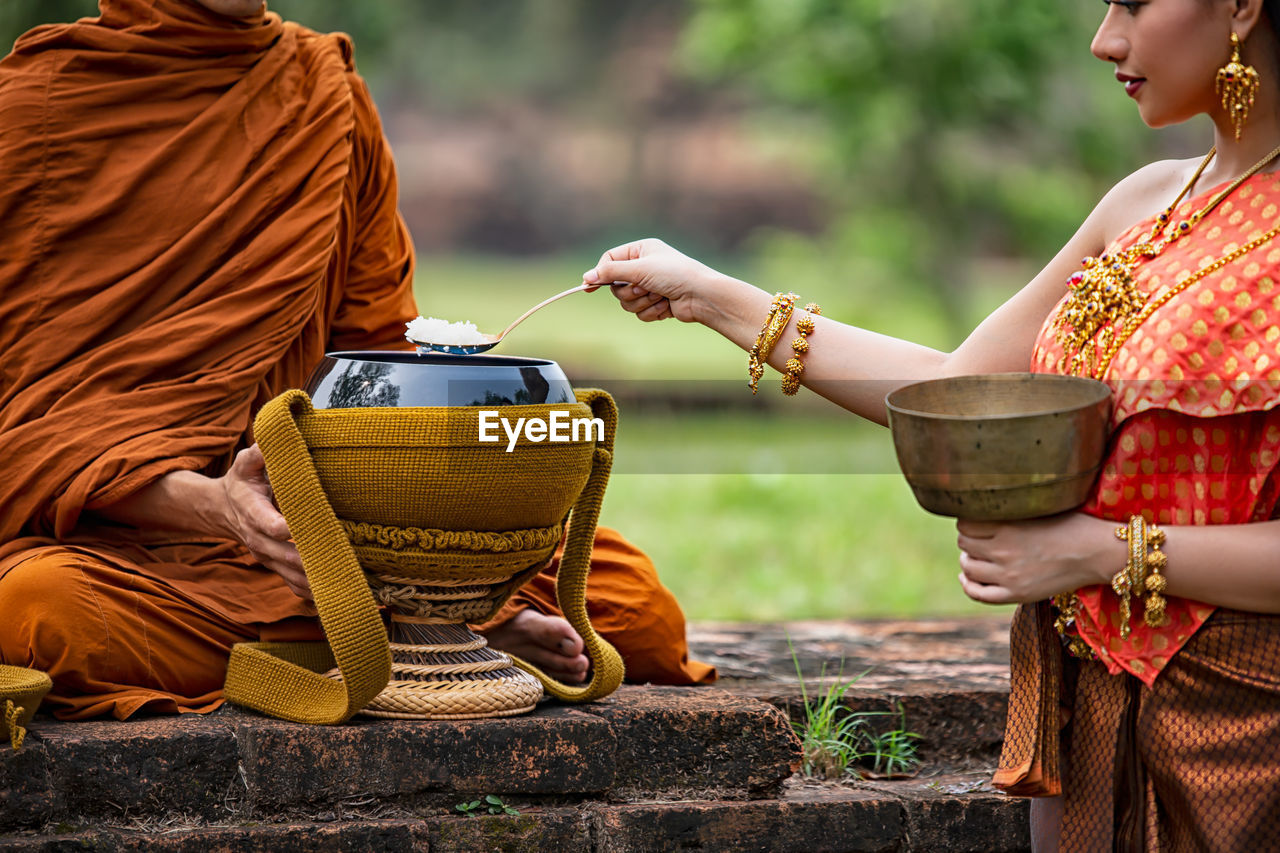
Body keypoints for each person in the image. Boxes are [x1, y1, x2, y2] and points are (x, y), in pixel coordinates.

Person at [586, 0, 1280, 848]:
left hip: (1242, 732)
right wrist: (714, 296)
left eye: (1134, 2)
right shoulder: (1148, 201)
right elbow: (956, 388)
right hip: (1087, 704)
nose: (1106, 38)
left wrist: (1099, 550)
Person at [0, 0, 712, 723]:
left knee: (637, 613)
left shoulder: (323, 94)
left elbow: (379, 364)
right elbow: (25, 437)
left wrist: (406, 541)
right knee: (37, 615)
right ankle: (421, 636)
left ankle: (415, 617)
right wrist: (219, 507)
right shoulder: (35, 110)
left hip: (335, 521)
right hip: (120, 543)